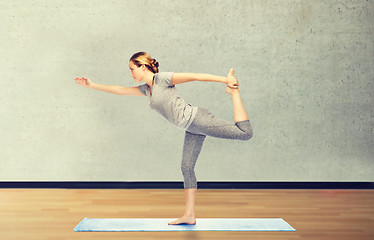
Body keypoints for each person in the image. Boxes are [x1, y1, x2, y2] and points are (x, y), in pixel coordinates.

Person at [74, 51, 253, 225]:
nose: (130, 73)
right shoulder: (147, 89)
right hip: (191, 128)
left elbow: (195, 76)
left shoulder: (162, 79)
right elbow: (121, 90)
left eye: (132, 69)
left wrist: (226, 80)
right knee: (186, 167)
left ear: (143, 67)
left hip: (197, 119)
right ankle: (189, 215)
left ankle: (234, 94)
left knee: (245, 133)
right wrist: (92, 85)